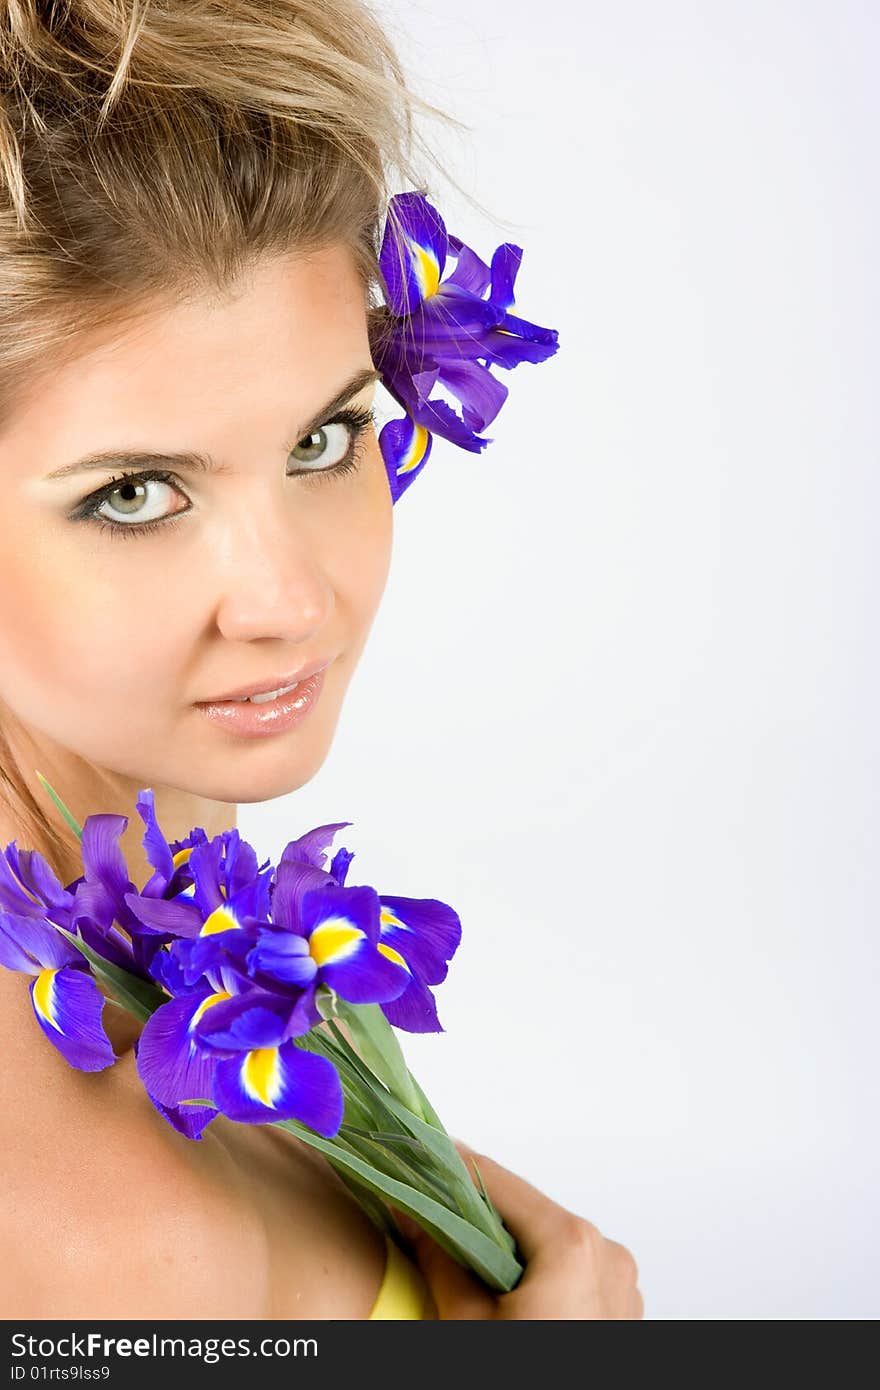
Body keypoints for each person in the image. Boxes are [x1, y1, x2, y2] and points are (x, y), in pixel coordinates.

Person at [0, 0, 642, 1320]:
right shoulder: (106, 1224)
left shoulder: (178, 882)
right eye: (133, 493)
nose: (292, 603)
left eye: (322, 439)